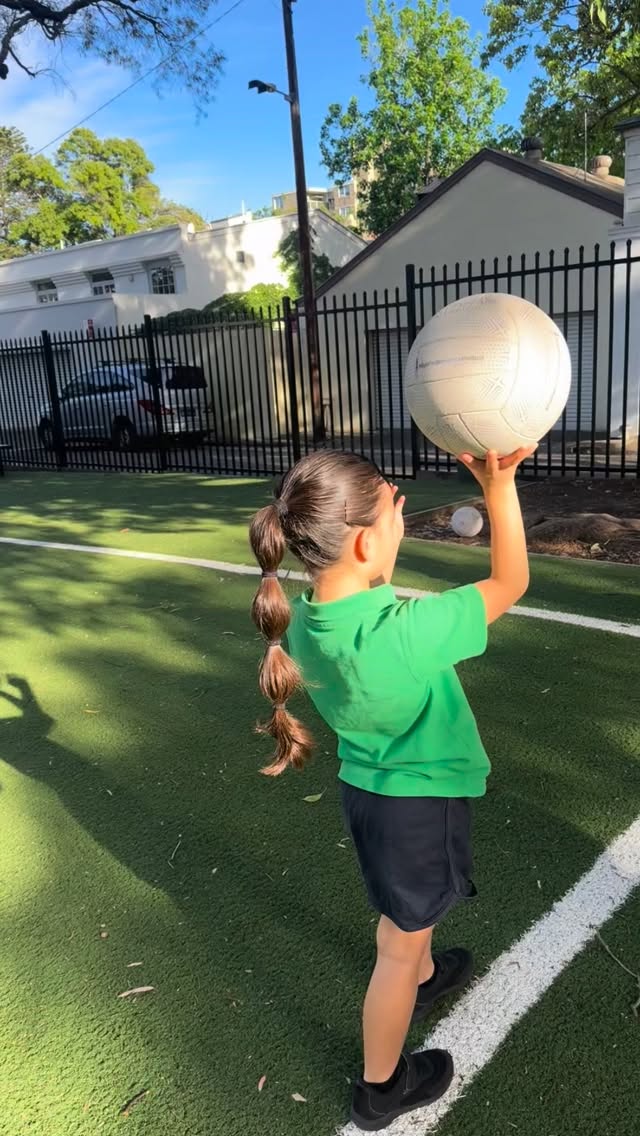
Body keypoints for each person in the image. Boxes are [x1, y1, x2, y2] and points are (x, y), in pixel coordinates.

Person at [249, 446, 533, 1132]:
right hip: (417, 807)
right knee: (397, 947)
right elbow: (511, 580)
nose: (402, 519)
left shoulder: (305, 621)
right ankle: (381, 1088)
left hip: (369, 796)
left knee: (407, 926)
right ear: (365, 541)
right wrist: (498, 486)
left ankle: (426, 975)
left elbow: (360, 590)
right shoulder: (405, 632)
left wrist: (379, 548)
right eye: (393, 514)